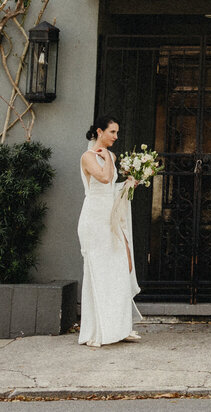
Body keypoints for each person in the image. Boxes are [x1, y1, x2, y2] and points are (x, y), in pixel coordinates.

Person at [77, 115, 142, 347]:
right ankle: (100, 330)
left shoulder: (110, 155)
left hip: (111, 217)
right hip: (94, 220)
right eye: (112, 132)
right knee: (100, 272)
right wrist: (108, 160)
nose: (116, 136)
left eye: (116, 132)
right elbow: (103, 179)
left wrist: (128, 184)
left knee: (121, 266)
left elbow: (112, 188)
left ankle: (119, 327)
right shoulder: (88, 157)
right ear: (99, 131)